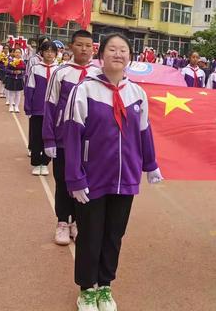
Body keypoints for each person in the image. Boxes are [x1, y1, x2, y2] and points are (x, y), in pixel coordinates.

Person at [63, 33, 163, 311]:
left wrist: (150, 164)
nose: (118, 54)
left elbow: (144, 132)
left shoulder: (136, 93)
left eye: (123, 50)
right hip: (92, 178)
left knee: (113, 235)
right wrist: (74, 177)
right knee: (90, 234)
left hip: (125, 178)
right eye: (112, 49)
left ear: (130, 57)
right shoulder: (84, 90)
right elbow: (71, 136)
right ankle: (86, 289)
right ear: (101, 55)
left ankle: (105, 285)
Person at [43, 30, 100, 246]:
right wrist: (49, 139)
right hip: (63, 139)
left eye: (88, 45)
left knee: (85, 182)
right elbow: (49, 106)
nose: (84, 49)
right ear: (70, 47)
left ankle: (78, 221)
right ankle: (62, 222)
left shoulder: (99, 73)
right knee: (63, 181)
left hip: (90, 141)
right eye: (79, 45)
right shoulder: (61, 73)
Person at [24, 42, 59, 176]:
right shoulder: (35, 68)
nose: (49, 54)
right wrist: (28, 107)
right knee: (36, 136)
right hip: (38, 108)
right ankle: (36, 162)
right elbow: (29, 88)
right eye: (47, 51)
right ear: (42, 52)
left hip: (53, 110)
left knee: (49, 136)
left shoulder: (59, 69)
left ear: (56, 53)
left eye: (52, 51)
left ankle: (45, 162)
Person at [4, 47, 26, 112]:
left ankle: (16, 107)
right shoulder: (10, 61)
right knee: (11, 93)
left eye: (19, 52)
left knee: (18, 93)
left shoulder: (23, 62)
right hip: (11, 78)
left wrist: (21, 72)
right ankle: (11, 106)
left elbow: (26, 71)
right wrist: (13, 72)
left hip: (19, 79)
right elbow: (6, 69)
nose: (17, 54)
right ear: (14, 53)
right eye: (16, 52)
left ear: (21, 54)